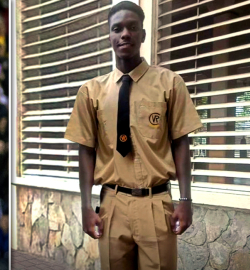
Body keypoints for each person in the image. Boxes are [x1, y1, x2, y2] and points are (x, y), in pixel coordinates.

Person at [64, 2, 203, 270]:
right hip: (112, 204)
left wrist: (185, 200)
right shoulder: (91, 92)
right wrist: (85, 206)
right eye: (117, 28)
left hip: (156, 203)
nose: (125, 34)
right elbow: (86, 150)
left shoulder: (170, 84)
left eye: (132, 27)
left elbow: (181, 143)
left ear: (143, 35)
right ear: (109, 36)